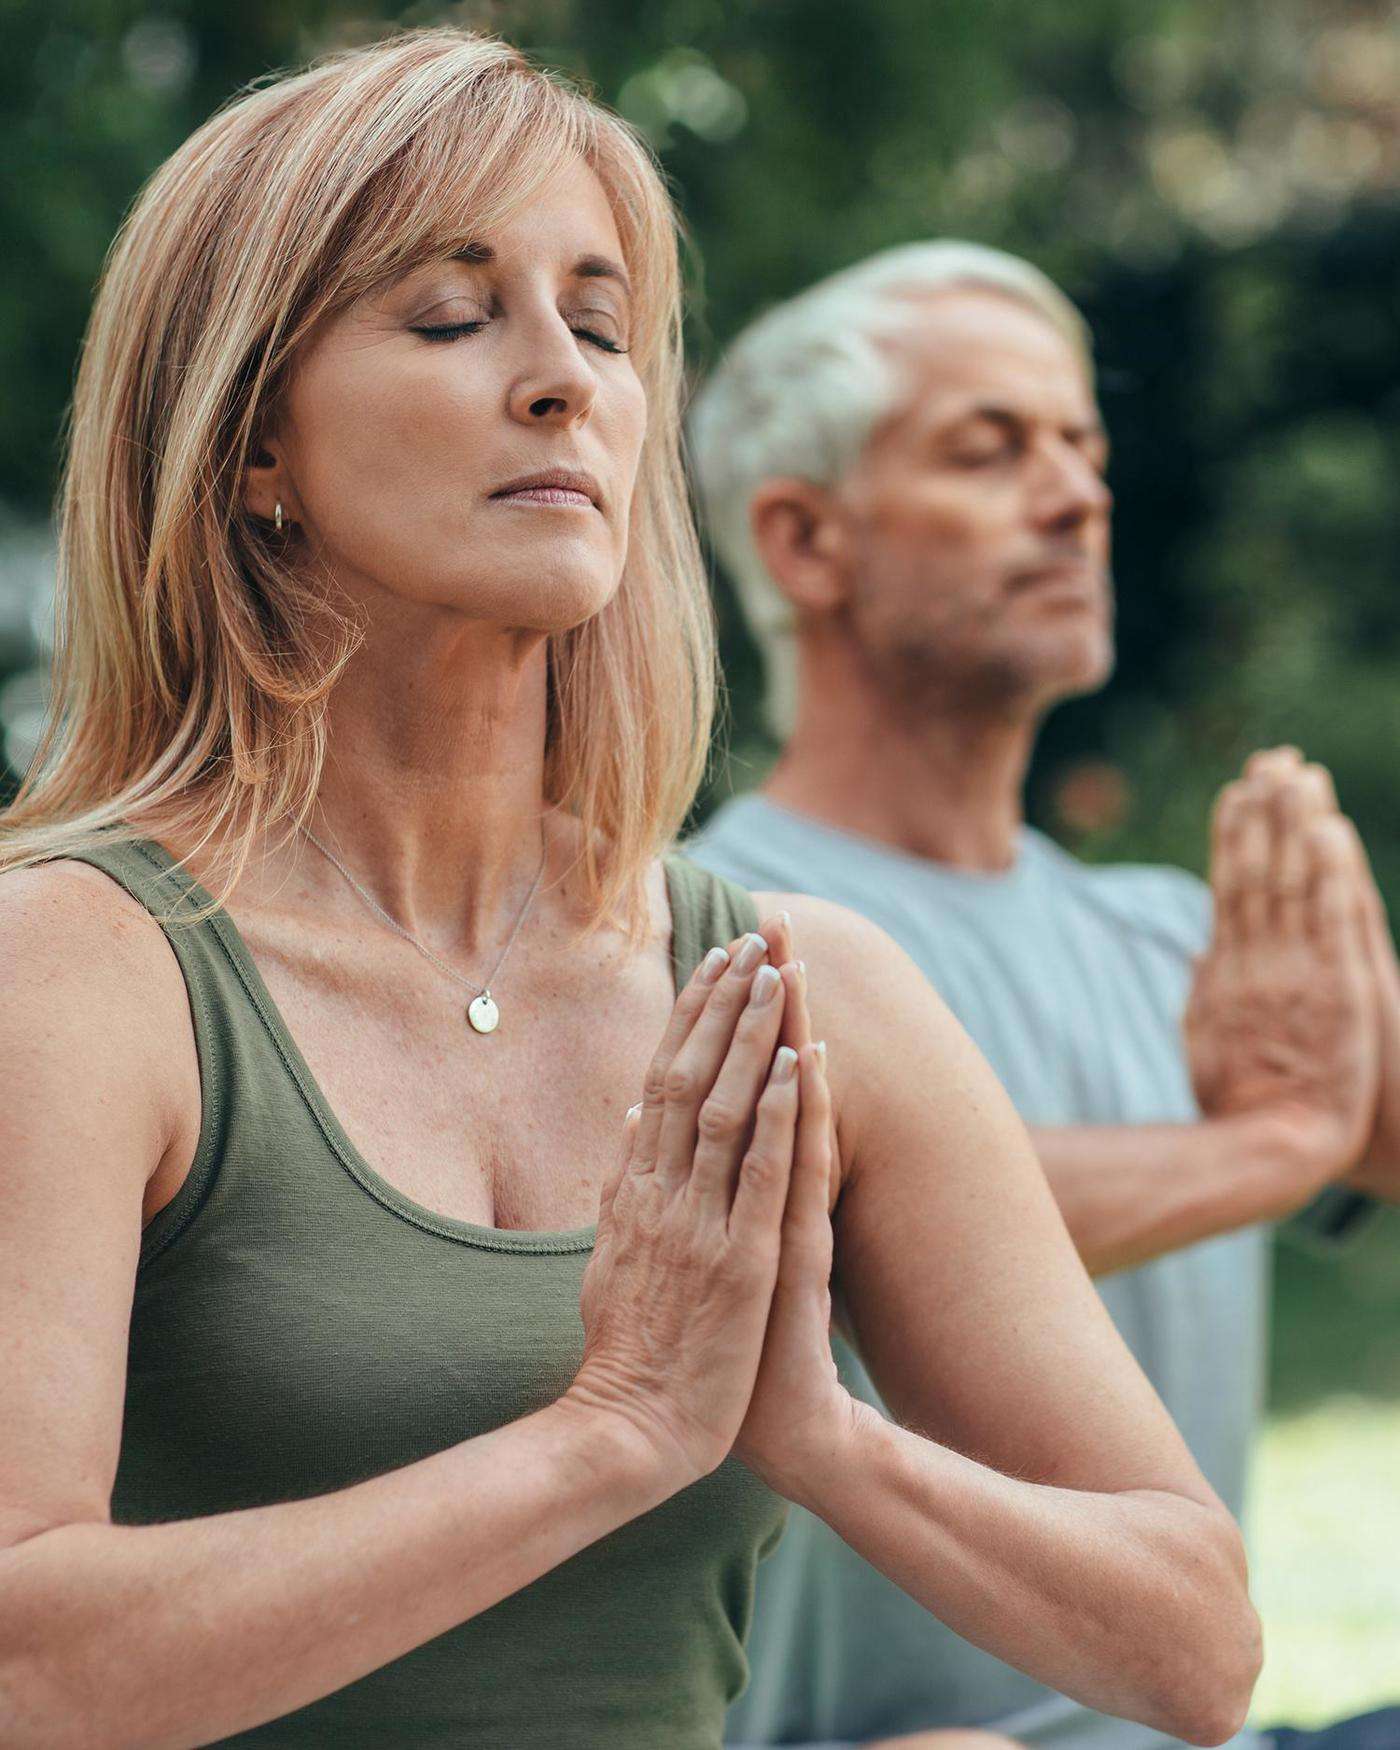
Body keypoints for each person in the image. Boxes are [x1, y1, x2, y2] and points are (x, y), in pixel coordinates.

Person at [0, 37, 1263, 1750]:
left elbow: (1193, 1645)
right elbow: (26, 1664)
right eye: (452, 319)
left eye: (598, 326)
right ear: (247, 447)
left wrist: (821, 1437)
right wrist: (612, 1434)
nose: (561, 382)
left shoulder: (803, 989)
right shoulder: (76, 965)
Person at [685, 242, 1400, 1750]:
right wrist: (1271, 1148)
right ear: (807, 541)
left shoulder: (1186, 941)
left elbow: (1350, 1125)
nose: (1079, 496)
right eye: (991, 448)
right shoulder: (698, 934)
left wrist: (1369, 1107)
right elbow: (877, 1214)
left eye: (1083, 446)